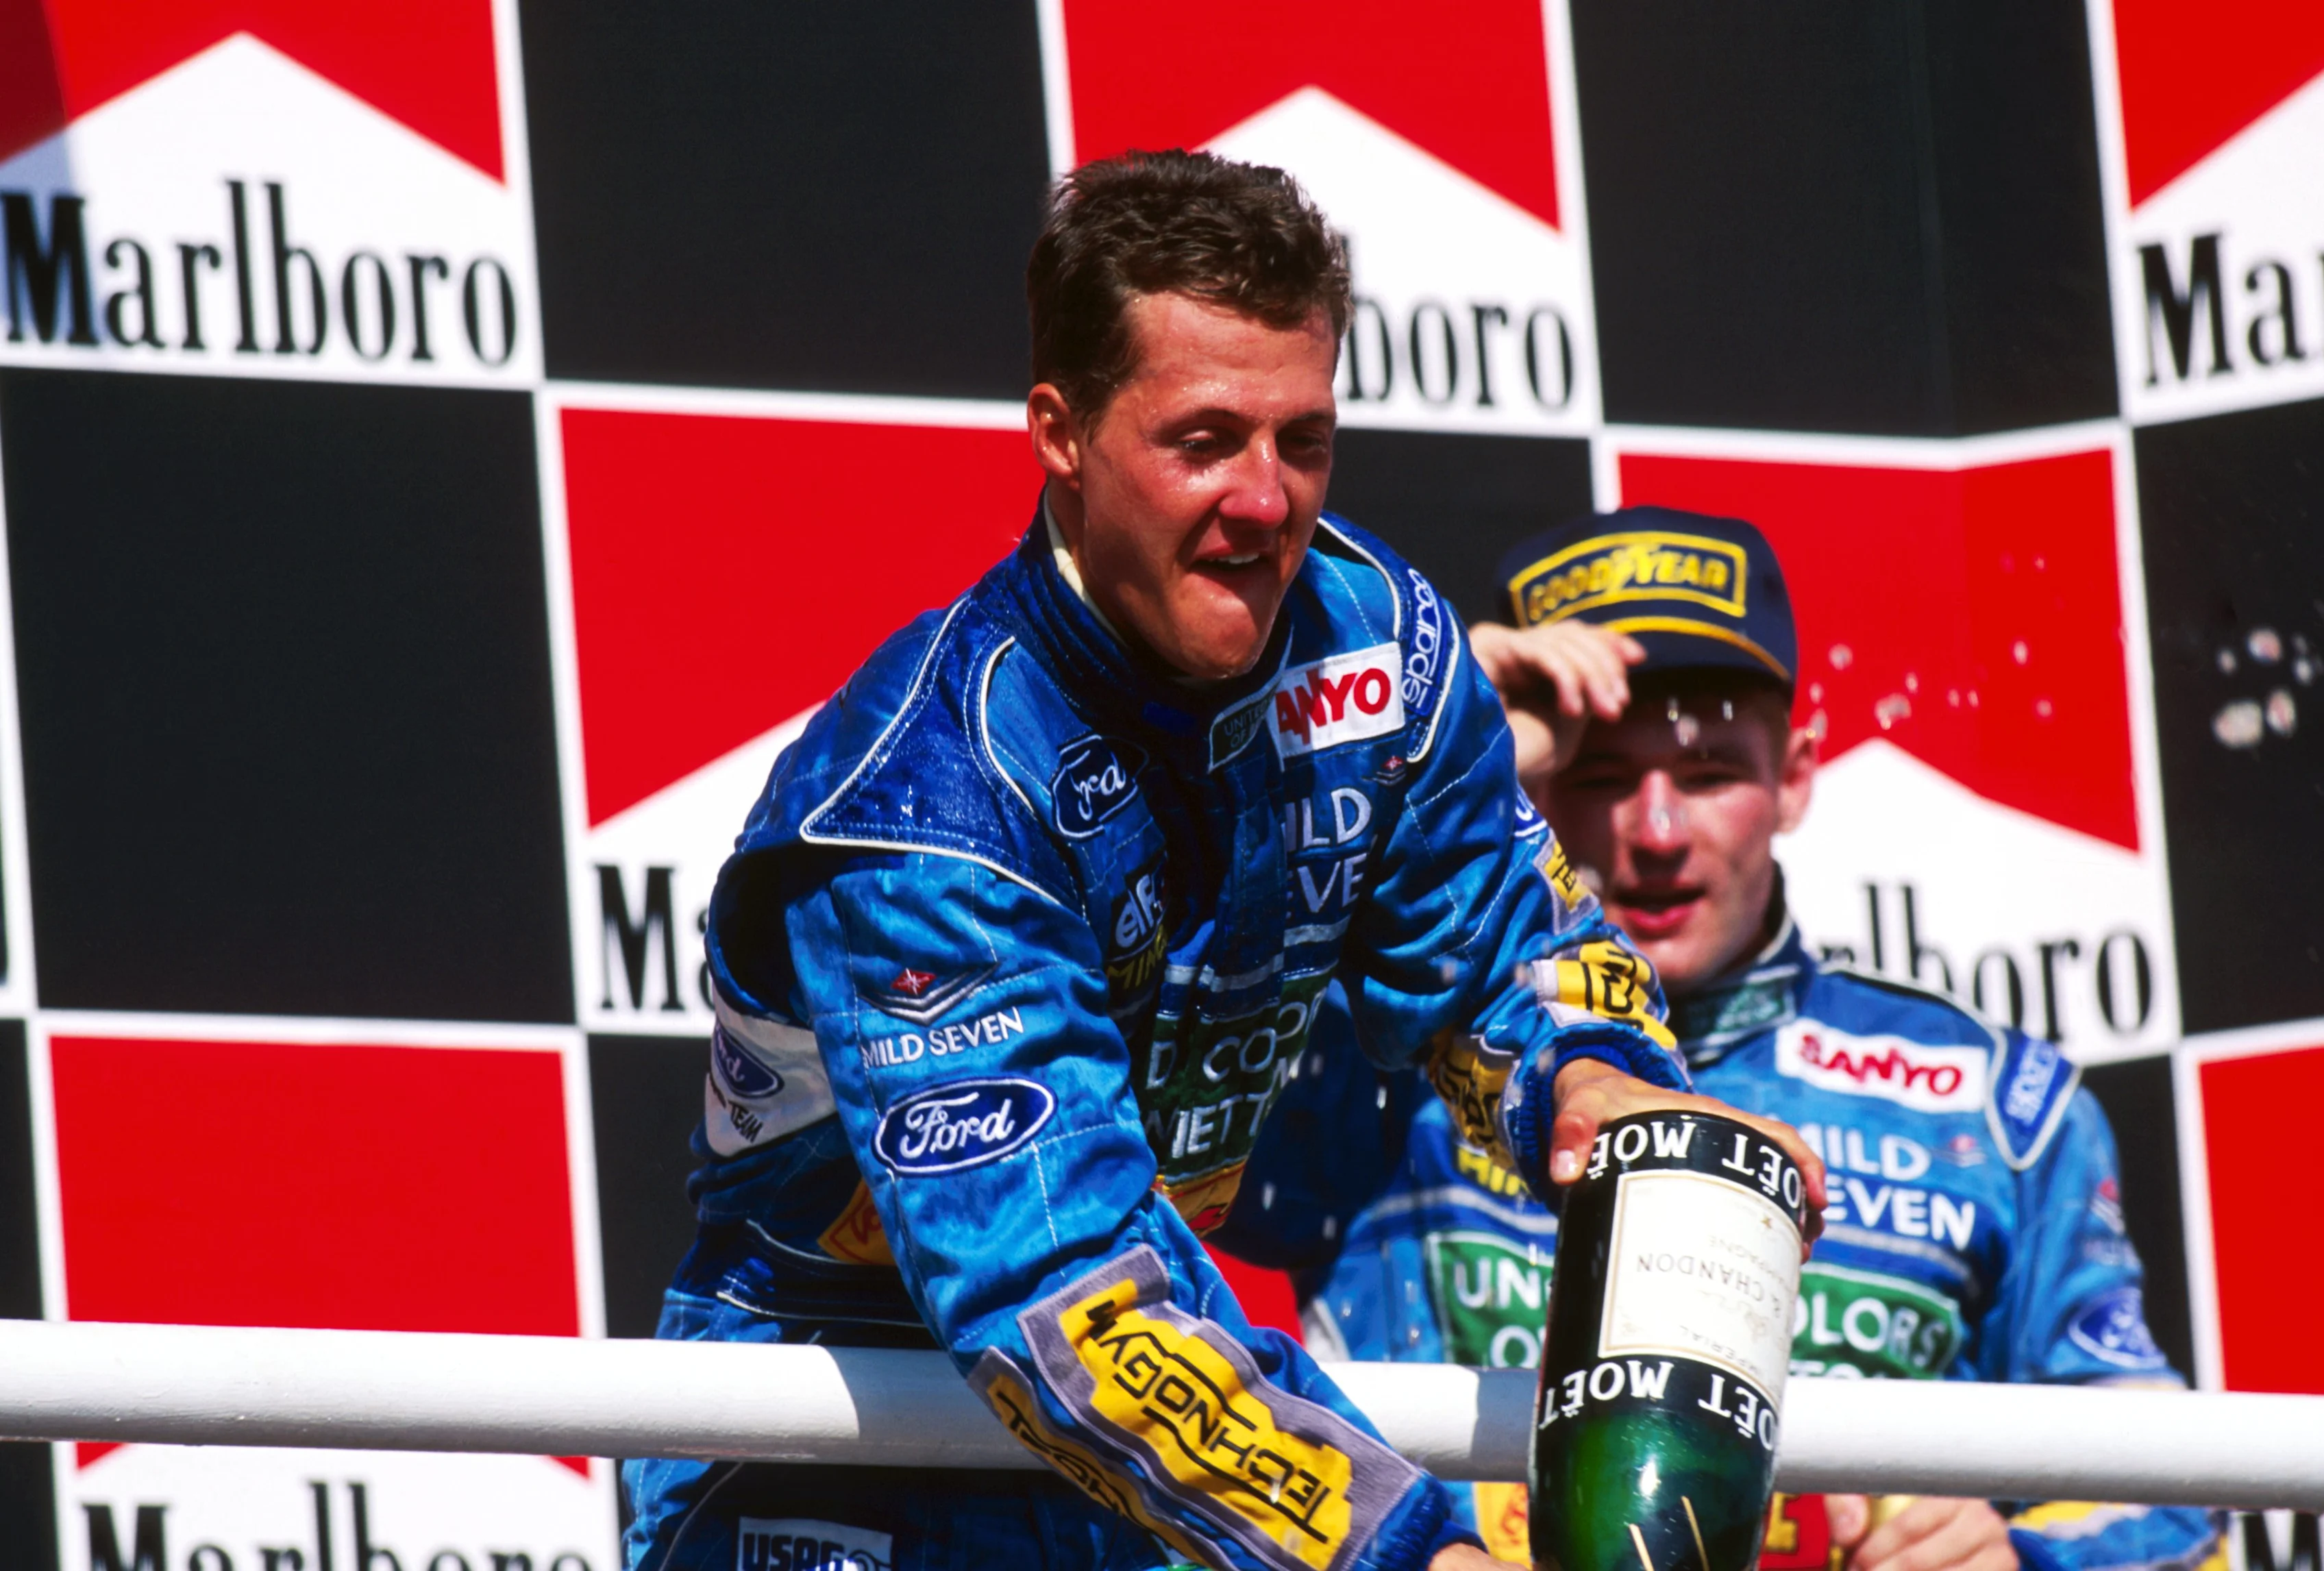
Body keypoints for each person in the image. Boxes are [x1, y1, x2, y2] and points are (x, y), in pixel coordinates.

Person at [619, 155, 1826, 1571]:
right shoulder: (927, 800)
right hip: (836, 1432)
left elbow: (1504, 948)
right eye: (1203, 441)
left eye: (1302, 440)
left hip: (1140, 1455)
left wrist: (1591, 1079)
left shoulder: (1381, 644)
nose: (1265, 502)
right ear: (1062, 435)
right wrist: (1409, 1555)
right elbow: (1059, 1288)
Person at [1224, 508, 2222, 1571]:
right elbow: (1141, 1146)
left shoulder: (1995, 1104)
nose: (1657, 832)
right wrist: (1421, 765)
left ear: (1795, 778)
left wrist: (2022, 1559)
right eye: (1601, 777)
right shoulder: (1381, 1057)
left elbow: (2185, 1504)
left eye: (1707, 775)